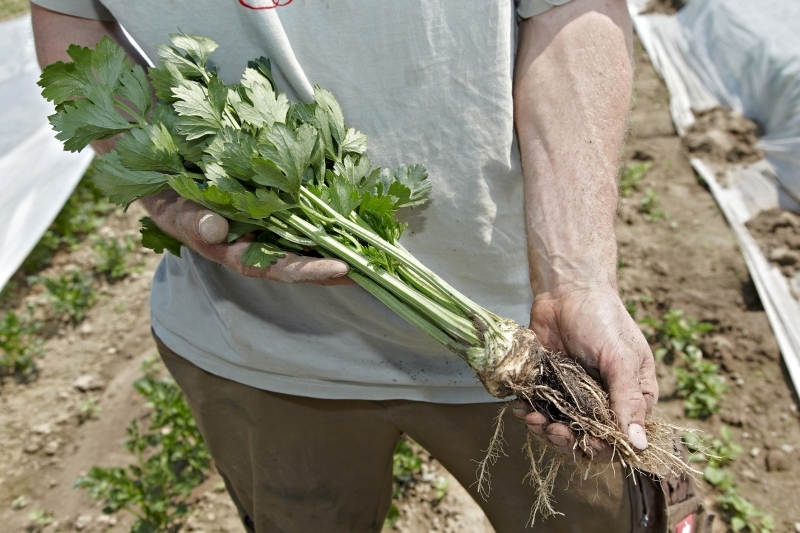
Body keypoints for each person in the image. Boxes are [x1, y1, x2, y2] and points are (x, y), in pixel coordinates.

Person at [30, 1, 699, 531]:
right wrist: (170, 188)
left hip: (525, 317)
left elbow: (570, 9)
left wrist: (575, 278)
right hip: (255, 341)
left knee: (601, 510)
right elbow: (71, 16)